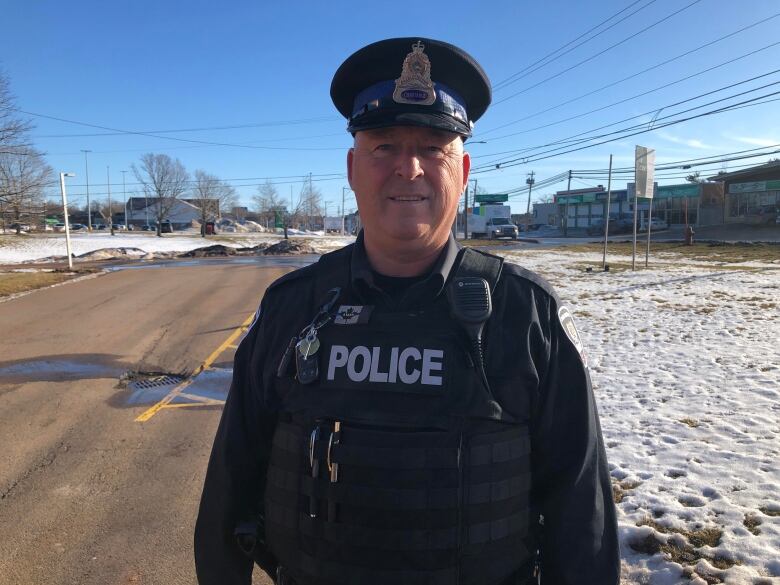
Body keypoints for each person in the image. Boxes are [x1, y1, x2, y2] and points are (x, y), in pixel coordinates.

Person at [195, 37, 619, 585]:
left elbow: (580, 514)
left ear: (462, 171)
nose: (409, 168)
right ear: (352, 168)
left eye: (432, 147)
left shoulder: (525, 313)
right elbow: (230, 489)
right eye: (384, 146)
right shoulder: (291, 308)